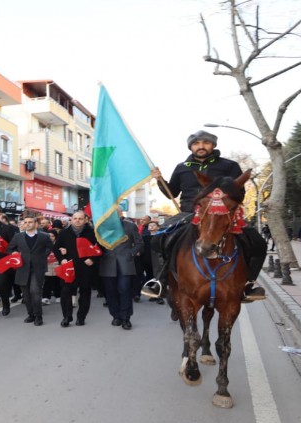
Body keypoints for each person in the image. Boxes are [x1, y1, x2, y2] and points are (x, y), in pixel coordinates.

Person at [148, 130, 266, 302]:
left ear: (213, 145)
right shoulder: (182, 168)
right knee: (157, 240)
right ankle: (159, 281)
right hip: (188, 213)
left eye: (205, 143)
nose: (201, 146)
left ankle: (248, 284)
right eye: (196, 143)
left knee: (258, 243)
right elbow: (172, 193)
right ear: (191, 147)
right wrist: (160, 180)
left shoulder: (229, 166)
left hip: (222, 215)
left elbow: (239, 192)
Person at [54, 210, 99, 327]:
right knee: (65, 292)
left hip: (86, 268)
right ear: (71, 220)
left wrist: (93, 259)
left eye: (80, 218)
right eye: (75, 218)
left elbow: (100, 248)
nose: (77, 221)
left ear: (85, 220)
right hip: (69, 267)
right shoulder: (64, 233)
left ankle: (81, 317)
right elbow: (56, 248)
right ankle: (67, 317)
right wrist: (62, 259)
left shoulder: (92, 232)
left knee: (85, 293)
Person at [8, 216, 54, 326]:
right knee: (26, 294)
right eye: (25, 222)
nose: (27, 224)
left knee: (35, 291)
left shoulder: (44, 236)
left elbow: (50, 247)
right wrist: (13, 253)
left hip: (38, 267)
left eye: (30, 222)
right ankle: (31, 315)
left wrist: (43, 256)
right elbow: (10, 248)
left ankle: (38, 316)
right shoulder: (18, 236)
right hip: (22, 268)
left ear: (36, 224)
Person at [99, 216, 143, 330]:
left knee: (124, 290)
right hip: (107, 263)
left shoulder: (130, 226)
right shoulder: (102, 227)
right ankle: (115, 316)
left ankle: (126, 318)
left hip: (125, 263)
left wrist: (131, 253)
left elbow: (139, 243)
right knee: (111, 292)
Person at [143, 221, 165, 304]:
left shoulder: (161, 237)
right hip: (147, 260)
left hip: (158, 260)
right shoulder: (144, 238)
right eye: (149, 225)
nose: (151, 226)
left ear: (157, 227)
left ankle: (160, 296)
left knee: (158, 278)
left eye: (153, 225)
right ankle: (152, 295)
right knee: (149, 277)